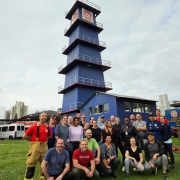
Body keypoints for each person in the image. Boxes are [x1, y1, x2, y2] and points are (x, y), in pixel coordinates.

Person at [23, 112, 52, 180]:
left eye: (45, 116)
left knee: (44, 163)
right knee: (31, 163)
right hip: (35, 147)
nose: (44, 117)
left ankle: (43, 177)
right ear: (39, 117)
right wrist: (32, 140)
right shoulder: (34, 126)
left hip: (44, 147)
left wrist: (45, 139)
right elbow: (24, 136)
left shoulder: (47, 127)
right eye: (42, 116)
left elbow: (50, 136)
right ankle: (28, 178)